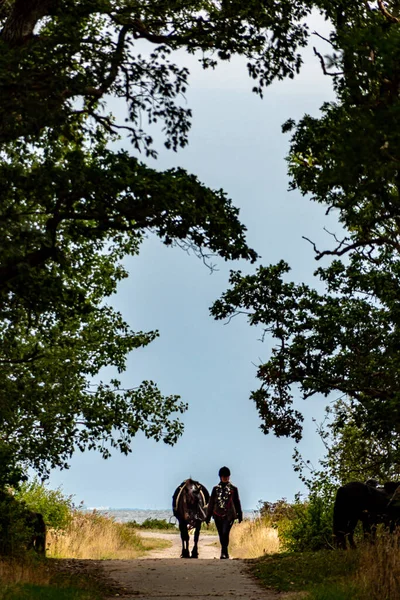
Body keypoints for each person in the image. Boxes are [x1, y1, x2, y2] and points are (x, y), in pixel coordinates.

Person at [205, 466, 243, 559]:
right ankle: (224, 551)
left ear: (229, 477)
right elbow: (211, 503)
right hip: (217, 514)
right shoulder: (215, 489)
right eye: (223, 476)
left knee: (225, 532)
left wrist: (240, 514)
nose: (225, 478)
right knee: (221, 533)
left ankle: (224, 551)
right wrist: (208, 516)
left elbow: (237, 502)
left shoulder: (234, 489)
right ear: (220, 477)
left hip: (229, 515)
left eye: (227, 476)